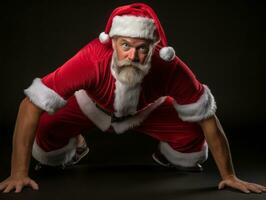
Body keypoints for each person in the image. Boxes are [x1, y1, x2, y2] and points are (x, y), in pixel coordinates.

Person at [0, 3, 265, 194]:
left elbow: (207, 117)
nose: (133, 57)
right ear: (112, 42)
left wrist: (229, 175)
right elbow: (30, 104)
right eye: (125, 45)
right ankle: (76, 143)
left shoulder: (169, 66)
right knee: (46, 137)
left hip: (145, 111)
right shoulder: (92, 59)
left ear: (154, 48)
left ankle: (166, 156)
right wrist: (18, 172)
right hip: (90, 106)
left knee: (193, 140)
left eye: (142, 49)